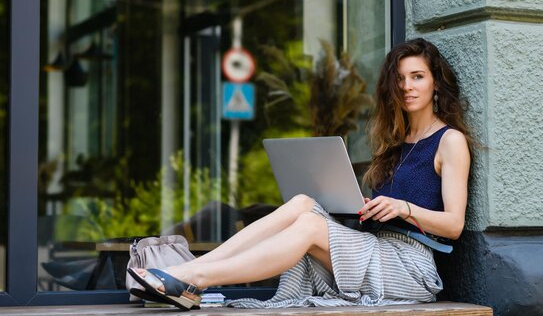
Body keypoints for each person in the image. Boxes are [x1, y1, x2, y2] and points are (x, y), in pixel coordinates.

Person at [128, 38, 472, 310]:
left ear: (436, 85)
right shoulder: (396, 142)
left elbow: (454, 225)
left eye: (417, 77)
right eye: (399, 79)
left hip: (411, 268)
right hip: (375, 249)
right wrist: (370, 207)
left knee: (310, 225)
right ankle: (190, 269)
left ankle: (193, 278)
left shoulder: (449, 141)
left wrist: (404, 208)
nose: (407, 87)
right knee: (303, 204)